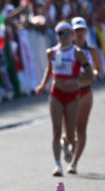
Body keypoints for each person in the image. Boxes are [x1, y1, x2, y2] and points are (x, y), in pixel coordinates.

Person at [35, 21, 93, 176]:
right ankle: (58, 165)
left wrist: (76, 80)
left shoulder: (77, 53)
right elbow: (49, 70)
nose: (63, 37)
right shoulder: (51, 52)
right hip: (56, 93)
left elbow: (90, 74)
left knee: (70, 134)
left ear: (71, 35)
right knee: (56, 131)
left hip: (73, 95)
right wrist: (42, 85)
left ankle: (70, 152)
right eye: (60, 34)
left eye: (66, 33)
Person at [66, 16, 103, 174]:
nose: (79, 34)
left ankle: (74, 163)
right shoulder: (66, 50)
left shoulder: (92, 51)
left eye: (82, 31)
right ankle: (67, 144)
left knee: (80, 128)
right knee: (68, 129)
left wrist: (92, 73)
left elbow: (99, 70)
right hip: (68, 93)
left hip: (85, 92)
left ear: (86, 32)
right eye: (76, 31)